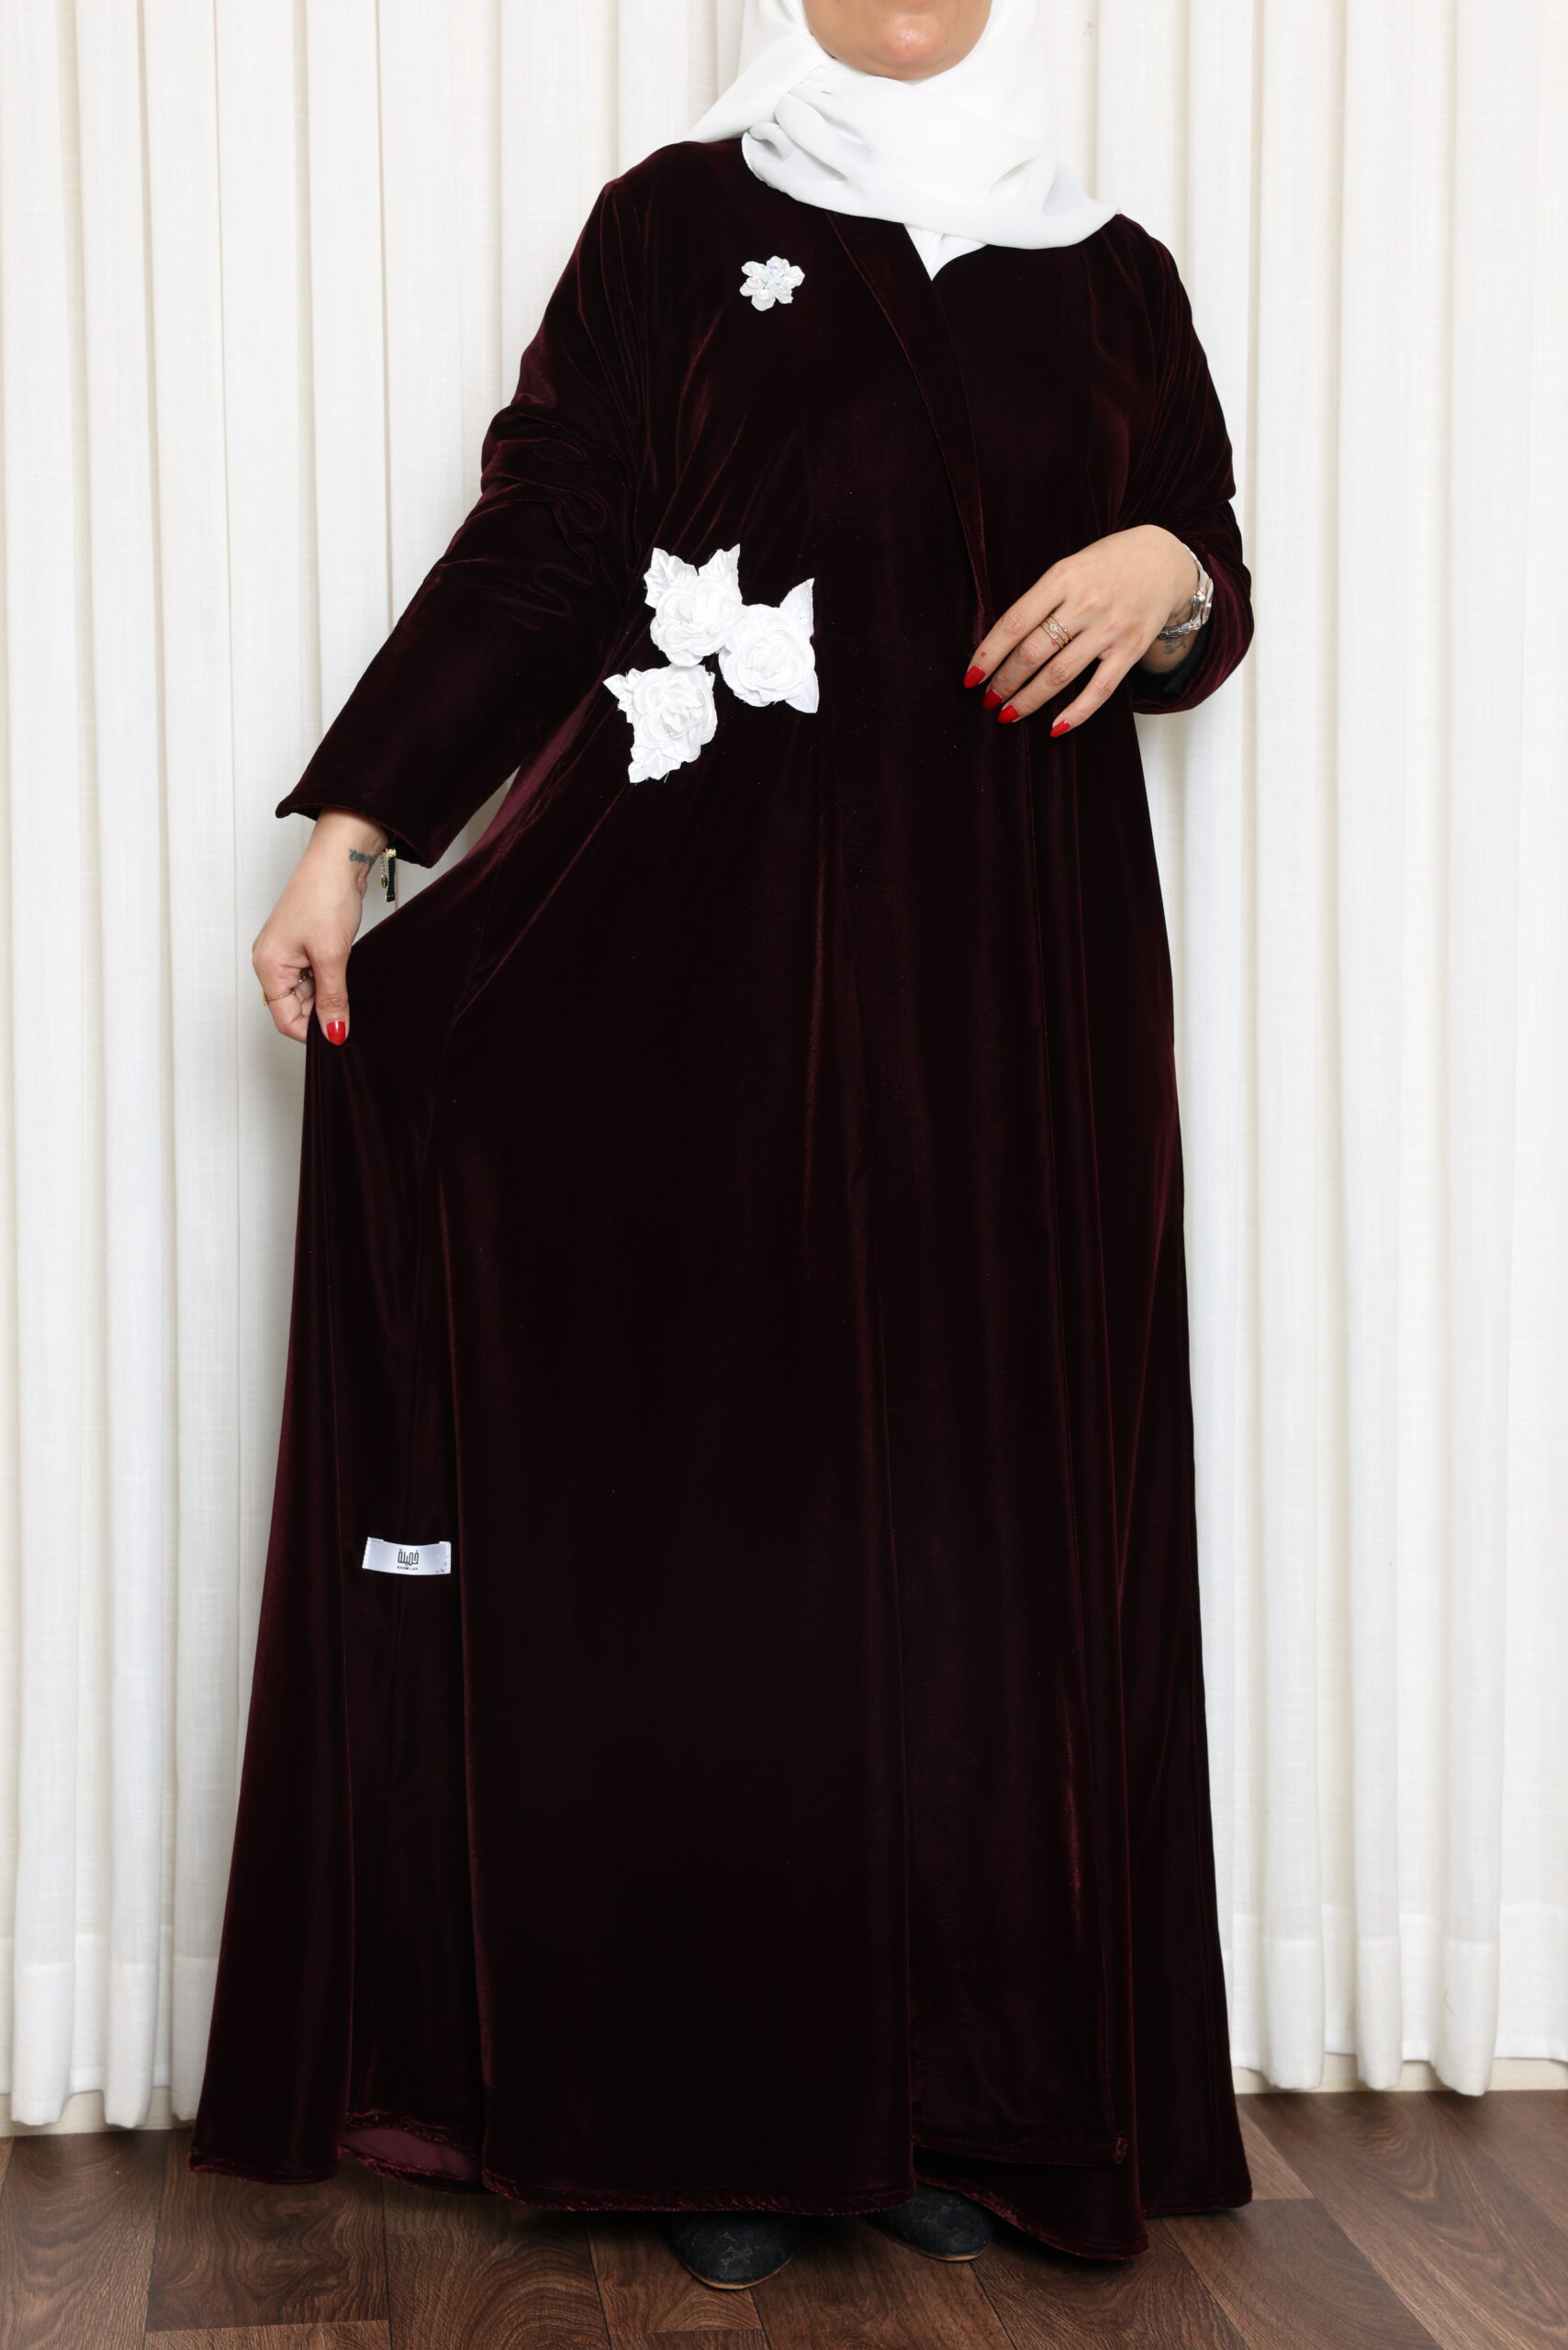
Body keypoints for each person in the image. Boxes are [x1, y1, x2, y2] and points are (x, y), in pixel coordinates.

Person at [188, 0, 1255, 2293]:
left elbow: (1209, 592)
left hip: (1017, 1001)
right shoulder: (677, 227)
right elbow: (550, 544)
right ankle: (719, 2098)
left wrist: (1169, 562)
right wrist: (355, 833)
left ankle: (971, 2090)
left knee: (980, 1532)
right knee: (731, 1540)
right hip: (708, 978)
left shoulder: (1111, 272)